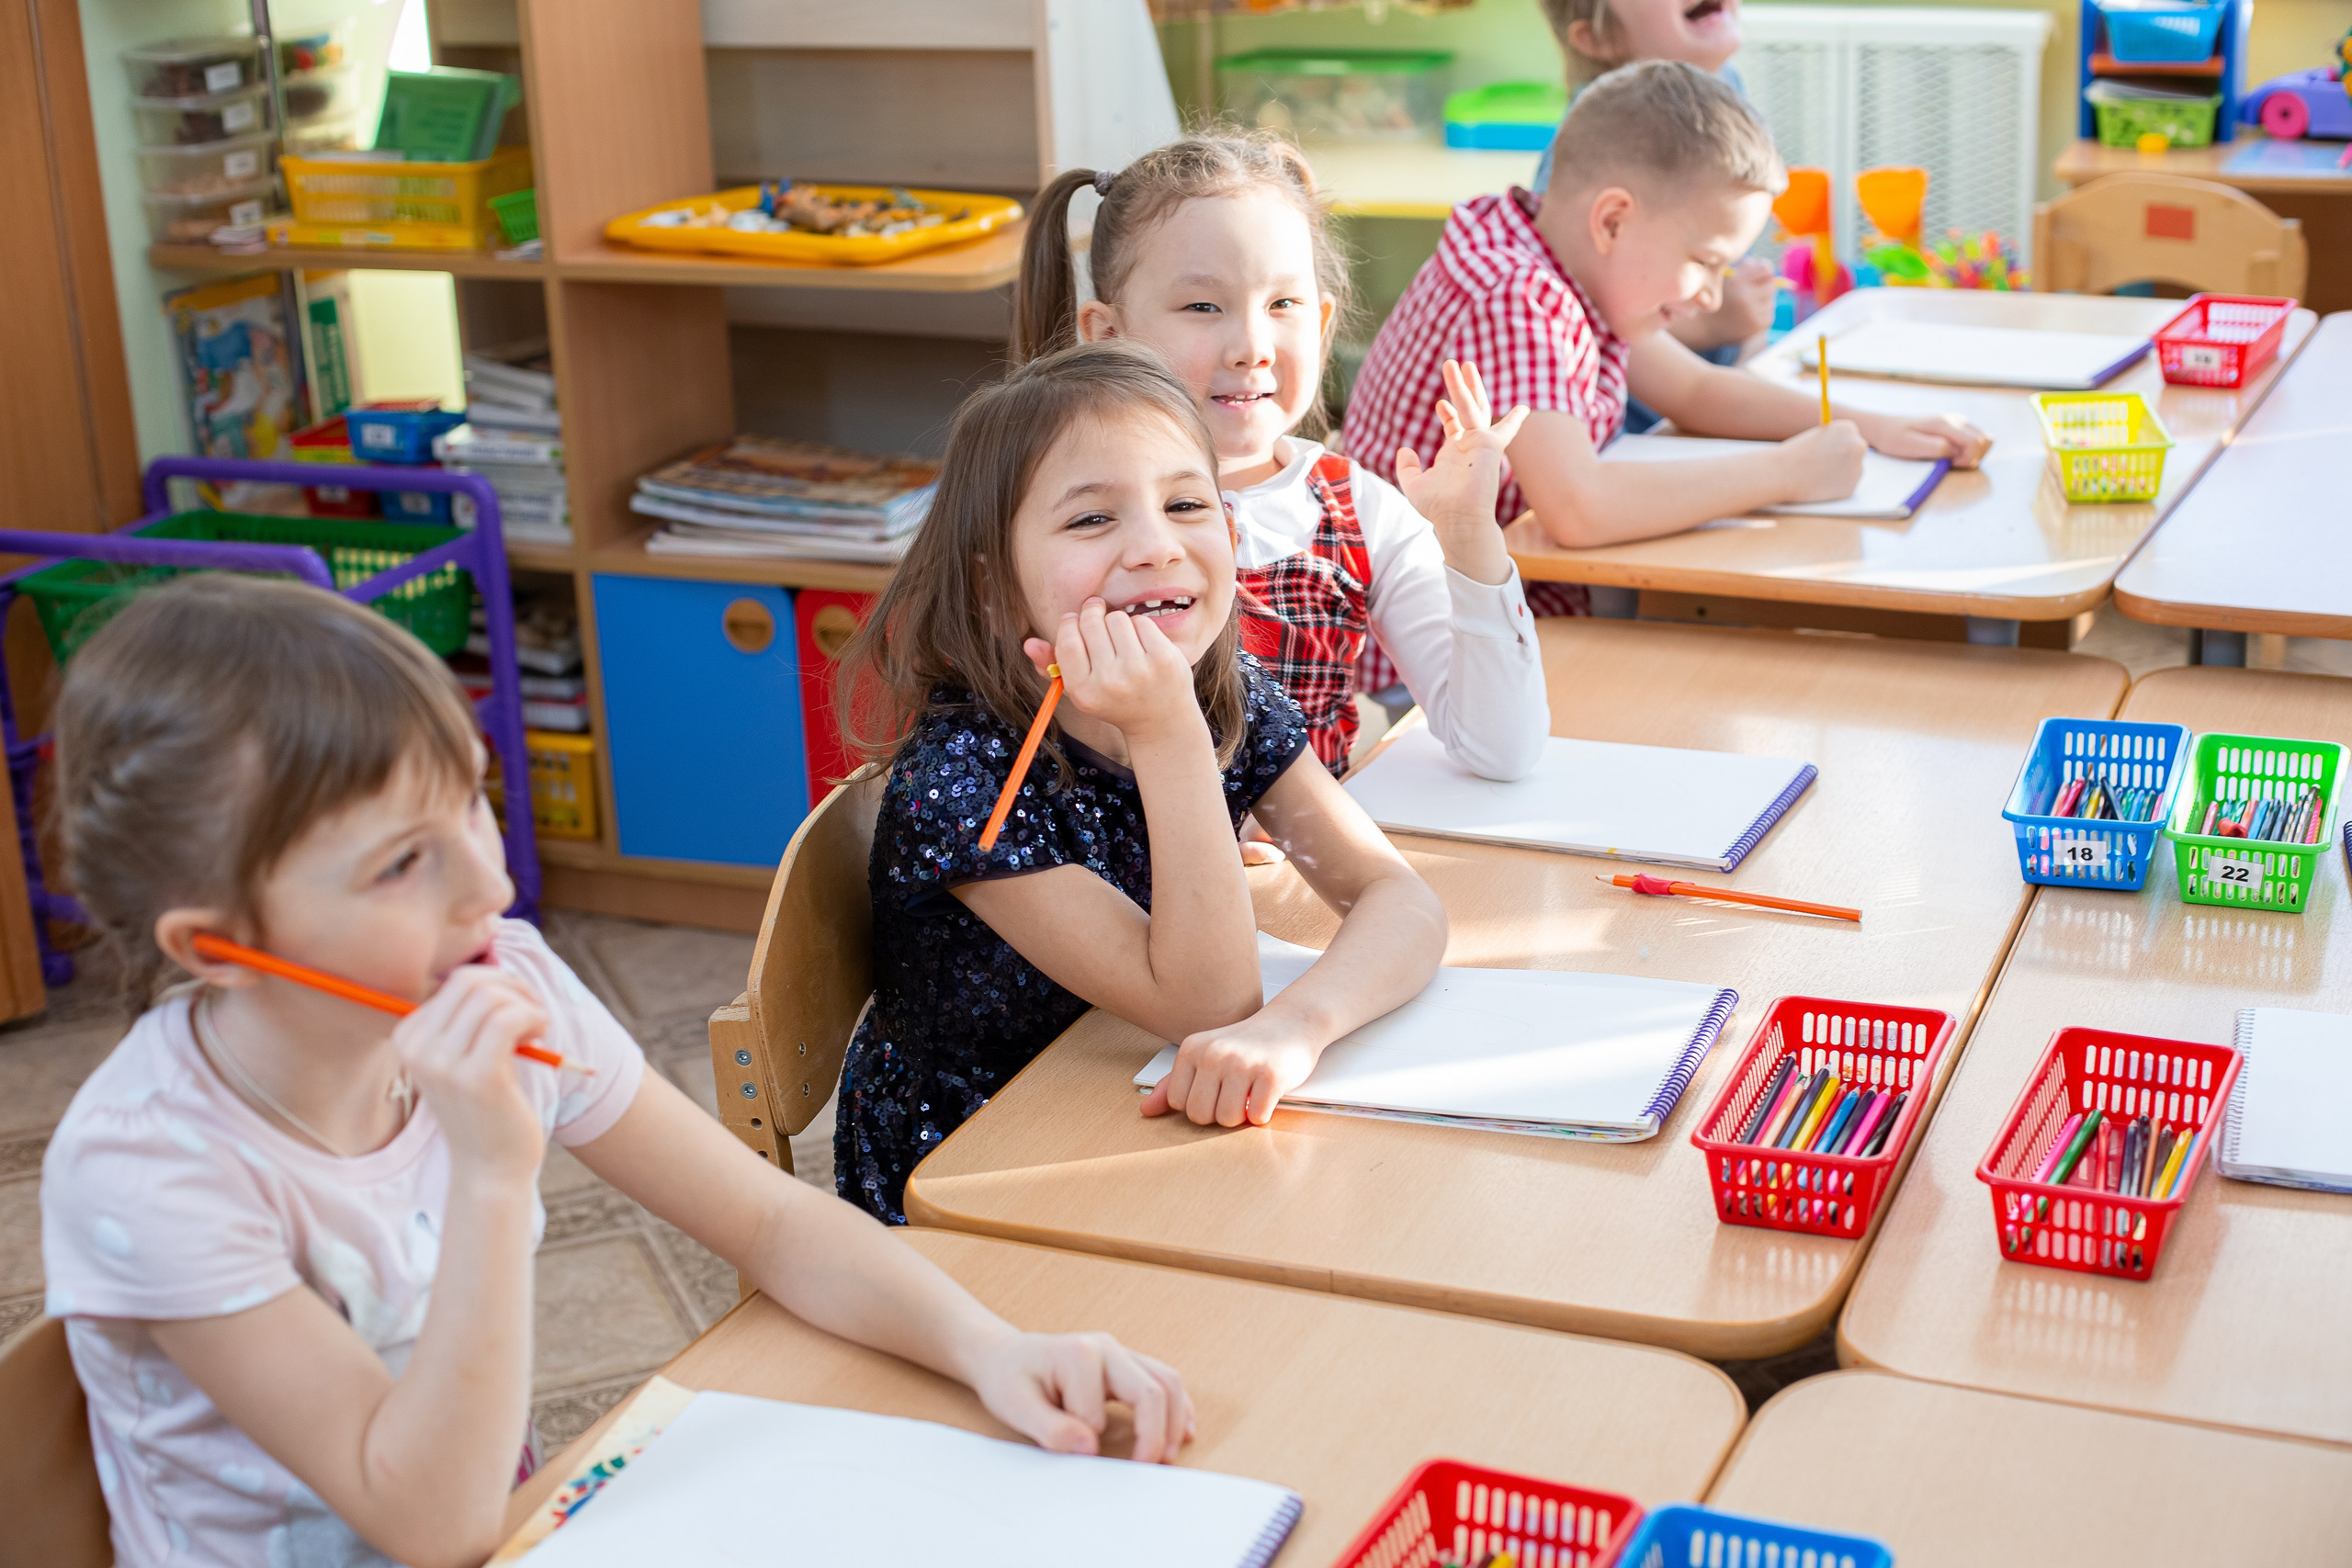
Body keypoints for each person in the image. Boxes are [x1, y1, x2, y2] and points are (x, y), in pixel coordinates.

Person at [40, 576, 1194, 1568]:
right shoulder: (150, 1165)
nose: (486, 891)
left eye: (473, 811)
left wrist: (996, 1350)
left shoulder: (500, 976)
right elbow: (428, 1524)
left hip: (510, 1519)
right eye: (401, 863)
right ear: (212, 947)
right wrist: (495, 1176)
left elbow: (776, 1229)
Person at [831, 341, 1448, 1224]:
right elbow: (1207, 1002)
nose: (1157, 547)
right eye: (1091, 521)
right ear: (998, 587)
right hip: (977, 1182)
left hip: (1137, 1116)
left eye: (1188, 503)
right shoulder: (963, 779)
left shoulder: (1225, 691)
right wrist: (1166, 732)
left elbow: (1401, 900)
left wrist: (1296, 1027)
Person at [1013, 133, 1547, 782]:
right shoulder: (1060, 515)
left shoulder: (1360, 510)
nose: (1252, 346)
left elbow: (1501, 750)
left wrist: (1470, 541)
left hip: (1318, 873)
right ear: (1108, 334)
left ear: (1322, 326)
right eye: (1203, 306)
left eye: (1283, 305)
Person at [1344, 61, 1990, 577]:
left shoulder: (1566, 265)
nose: (1712, 297)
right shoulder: (1517, 293)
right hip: (1439, 645)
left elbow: (1695, 389)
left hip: (1516, 598)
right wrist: (1789, 473)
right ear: (1614, 220)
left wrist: (1875, 425)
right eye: (1706, 261)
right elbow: (1579, 509)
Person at [1534, 0, 1777, 435]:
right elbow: (1581, 318)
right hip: (1638, 430)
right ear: (1598, 38)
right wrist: (1712, 325)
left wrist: (1747, 348)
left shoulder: (1725, 90)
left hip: (1717, 397)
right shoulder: (1588, 155)